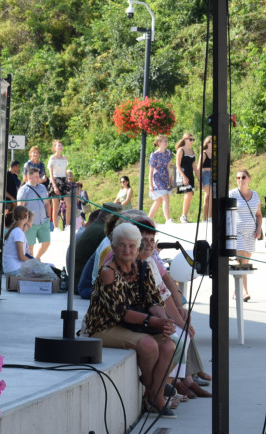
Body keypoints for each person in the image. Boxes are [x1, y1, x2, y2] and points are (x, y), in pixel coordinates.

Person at [81, 221, 179, 417]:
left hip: (135, 324)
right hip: (105, 325)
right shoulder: (109, 272)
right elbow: (121, 312)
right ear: (114, 247)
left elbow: (154, 300)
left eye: (132, 245)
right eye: (122, 245)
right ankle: (155, 394)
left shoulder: (142, 268)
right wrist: (156, 322)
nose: (127, 250)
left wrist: (164, 321)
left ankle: (152, 393)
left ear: (137, 248)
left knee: (169, 345)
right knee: (148, 344)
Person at [229, 168, 263, 301]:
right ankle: (244, 291)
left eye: (243, 177)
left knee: (243, 264)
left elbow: (259, 215)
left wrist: (259, 229)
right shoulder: (232, 194)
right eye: (238, 178)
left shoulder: (255, 195)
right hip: (237, 233)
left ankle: (236, 290)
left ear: (249, 179)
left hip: (251, 234)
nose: (240, 180)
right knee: (242, 261)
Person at [16, 167, 51, 259]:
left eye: (38, 176)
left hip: (43, 221)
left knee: (47, 243)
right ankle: (32, 263)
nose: (38, 178)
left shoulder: (43, 187)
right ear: (29, 177)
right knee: (30, 247)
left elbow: (47, 203)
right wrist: (24, 222)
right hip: (30, 223)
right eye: (35, 176)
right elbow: (20, 207)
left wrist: (48, 216)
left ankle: (36, 259)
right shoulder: (23, 190)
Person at [148, 134, 173, 223]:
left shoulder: (168, 153)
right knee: (165, 197)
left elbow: (168, 167)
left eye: (167, 141)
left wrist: (171, 179)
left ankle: (148, 219)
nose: (166, 143)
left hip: (165, 177)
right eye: (164, 141)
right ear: (159, 143)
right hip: (157, 178)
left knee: (158, 200)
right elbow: (151, 171)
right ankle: (168, 220)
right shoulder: (154, 155)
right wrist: (150, 185)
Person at [2, 206, 33, 274]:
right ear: (26, 216)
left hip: (11, 268)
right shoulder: (18, 232)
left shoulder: (16, 231)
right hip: (14, 268)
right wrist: (34, 262)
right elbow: (21, 256)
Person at [174, 132, 197, 223]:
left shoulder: (192, 151)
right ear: (185, 140)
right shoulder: (181, 150)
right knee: (188, 193)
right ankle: (183, 216)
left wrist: (199, 178)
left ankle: (184, 216)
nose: (192, 141)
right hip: (182, 174)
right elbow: (178, 165)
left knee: (190, 194)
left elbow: (195, 167)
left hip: (190, 174)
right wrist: (184, 177)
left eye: (193, 139)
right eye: (190, 139)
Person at [48, 140, 71, 228]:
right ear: (55, 148)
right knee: (56, 206)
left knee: (69, 205)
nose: (60, 147)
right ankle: (56, 227)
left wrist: (67, 181)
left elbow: (65, 171)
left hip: (64, 180)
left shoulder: (65, 158)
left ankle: (67, 226)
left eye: (61, 146)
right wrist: (54, 186)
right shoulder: (52, 158)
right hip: (55, 180)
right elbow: (51, 173)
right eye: (58, 146)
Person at [199, 136, 213, 222]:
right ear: (207, 143)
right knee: (211, 195)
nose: (213, 144)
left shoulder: (214, 153)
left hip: (212, 174)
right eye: (211, 142)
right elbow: (198, 167)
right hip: (205, 175)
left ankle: (204, 219)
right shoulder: (204, 154)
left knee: (207, 197)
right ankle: (210, 217)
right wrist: (199, 180)